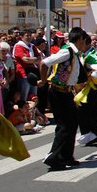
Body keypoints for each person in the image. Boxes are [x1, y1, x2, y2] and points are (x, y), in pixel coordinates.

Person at [38, 27, 89, 170]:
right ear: (80, 40)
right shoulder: (67, 51)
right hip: (58, 93)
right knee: (65, 125)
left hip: (66, 92)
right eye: (85, 41)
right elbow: (44, 63)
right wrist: (42, 81)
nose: (85, 45)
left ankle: (66, 156)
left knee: (72, 123)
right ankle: (53, 156)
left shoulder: (74, 53)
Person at [76, 32, 97, 146]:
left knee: (86, 112)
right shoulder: (84, 54)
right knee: (88, 112)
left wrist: (88, 78)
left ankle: (95, 134)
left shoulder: (91, 55)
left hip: (91, 88)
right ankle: (94, 134)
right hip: (88, 88)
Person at [13, 29, 41, 105]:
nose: (29, 37)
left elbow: (39, 59)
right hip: (23, 75)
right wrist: (34, 59)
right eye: (26, 35)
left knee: (34, 97)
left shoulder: (32, 46)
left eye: (30, 35)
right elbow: (25, 60)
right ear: (21, 37)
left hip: (33, 74)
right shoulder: (19, 46)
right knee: (24, 98)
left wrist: (31, 59)